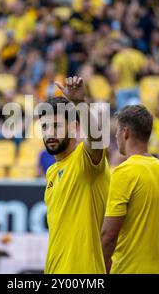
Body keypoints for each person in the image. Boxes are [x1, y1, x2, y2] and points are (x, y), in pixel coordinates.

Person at [37, 76, 110, 274]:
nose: (49, 133)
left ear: (73, 126)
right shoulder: (52, 171)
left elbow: (96, 140)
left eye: (56, 125)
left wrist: (79, 104)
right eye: (45, 127)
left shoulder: (84, 159)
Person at [101, 105, 159, 274]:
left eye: (117, 132)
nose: (116, 137)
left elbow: (108, 235)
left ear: (125, 133)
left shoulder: (122, 173)